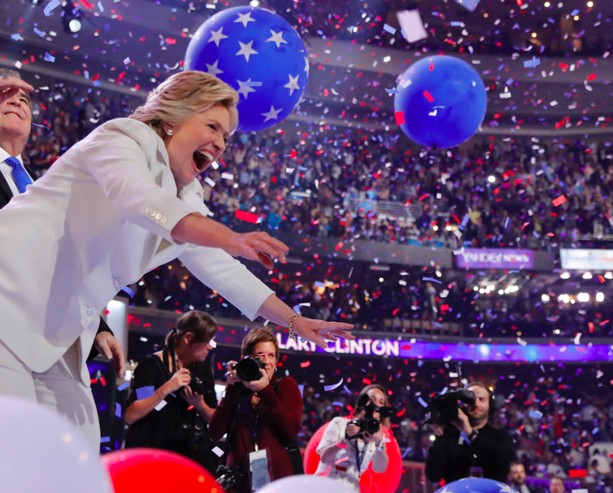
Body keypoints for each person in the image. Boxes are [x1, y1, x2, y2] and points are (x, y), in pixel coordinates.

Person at [0, 70, 353, 449]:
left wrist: (294, 320)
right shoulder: (122, 138)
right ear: (172, 118)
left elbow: (216, 264)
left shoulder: (187, 193)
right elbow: (139, 199)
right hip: (11, 300)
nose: (220, 143)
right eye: (213, 126)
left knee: (74, 463)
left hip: (57, 334)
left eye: (226, 136)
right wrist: (231, 237)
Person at [0, 69, 125, 379]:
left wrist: (97, 326)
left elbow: (61, 262)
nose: (16, 101)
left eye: (24, 98)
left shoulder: (40, 187)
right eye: (4, 94)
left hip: (51, 345)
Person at [208, 327, 302, 493]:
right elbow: (215, 432)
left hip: (276, 484)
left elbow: (290, 431)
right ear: (247, 359)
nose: (266, 361)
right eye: (260, 356)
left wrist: (265, 391)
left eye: (271, 355)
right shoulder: (237, 391)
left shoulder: (285, 386)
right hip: (238, 486)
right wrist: (231, 388)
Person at [123, 310, 219, 473]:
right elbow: (131, 415)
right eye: (207, 341)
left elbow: (216, 421)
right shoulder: (151, 366)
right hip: (151, 460)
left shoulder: (203, 370)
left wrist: (200, 405)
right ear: (188, 338)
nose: (210, 347)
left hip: (188, 461)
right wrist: (166, 389)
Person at [424, 382, 516, 484]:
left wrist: (468, 431)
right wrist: (440, 434)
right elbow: (433, 476)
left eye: (481, 399)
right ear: (462, 404)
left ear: (490, 405)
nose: (476, 404)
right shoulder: (449, 437)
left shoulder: (501, 437)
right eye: (470, 399)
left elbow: (501, 462)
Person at [315, 387, 390, 493]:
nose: (376, 405)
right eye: (372, 400)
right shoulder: (339, 423)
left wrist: (379, 443)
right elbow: (324, 457)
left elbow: (380, 468)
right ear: (362, 401)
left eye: (381, 402)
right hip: (325, 489)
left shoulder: (376, 437)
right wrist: (344, 441)